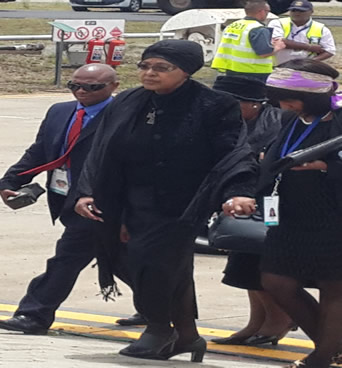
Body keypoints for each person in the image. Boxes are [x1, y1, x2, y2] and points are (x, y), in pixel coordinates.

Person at [75, 39, 258, 362]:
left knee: (154, 263)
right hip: (128, 197)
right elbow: (101, 148)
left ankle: (158, 326)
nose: (150, 74)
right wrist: (87, 190)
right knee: (134, 260)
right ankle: (187, 335)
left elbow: (233, 153)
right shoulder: (129, 101)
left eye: (162, 68)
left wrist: (237, 192)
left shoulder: (214, 105)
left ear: (186, 72)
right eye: (145, 66)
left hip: (182, 202)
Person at [0, 64, 126, 335]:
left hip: (101, 203)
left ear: (114, 87)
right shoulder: (59, 112)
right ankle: (162, 310)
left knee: (66, 258)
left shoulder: (124, 115)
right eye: (75, 86)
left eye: (92, 87)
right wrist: (11, 181)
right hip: (65, 198)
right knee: (126, 261)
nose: (81, 92)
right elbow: (40, 151)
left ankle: (34, 315)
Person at [258, 59, 342, 368]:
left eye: (291, 98)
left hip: (333, 213)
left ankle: (321, 359)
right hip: (290, 212)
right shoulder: (288, 118)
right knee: (276, 280)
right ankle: (331, 345)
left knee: (334, 285)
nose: (284, 104)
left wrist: (327, 166)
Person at [210, 76, 296, 347]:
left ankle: (278, 320)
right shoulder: (228, 124)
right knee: (244, 264)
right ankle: (255, 322)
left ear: (255, 104)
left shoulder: (277, 123)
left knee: (265, 265)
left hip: (272, 201)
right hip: (243, 201)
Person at [211, 0, 285, 82]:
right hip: (254, 72)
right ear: (262, 11)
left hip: (232, 69)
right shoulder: (259, 29)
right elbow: (264, 53)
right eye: (267, 11)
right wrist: (278, 46)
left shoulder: (232, 25)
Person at [267, 0, 335, 65]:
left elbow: (330, 50)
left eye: (301, 11)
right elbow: (279, 42)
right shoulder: (278, 23)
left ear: (311, 12)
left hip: (305, 69)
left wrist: (309, 62)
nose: (297, 13)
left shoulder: (321, 29)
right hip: (278, 66)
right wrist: (309, 47)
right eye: (293, 10)